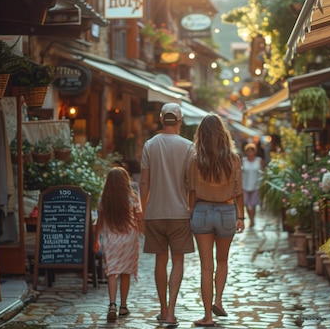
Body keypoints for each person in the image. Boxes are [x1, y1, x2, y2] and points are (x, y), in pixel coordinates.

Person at [139, 103, 195, 326]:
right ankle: (171, 312)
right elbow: (191, 184)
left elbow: (144, 181)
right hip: (180, 213)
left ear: (162, 120)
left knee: (160, 262)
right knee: (178, 262)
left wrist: (143, 211)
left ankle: (162, 309)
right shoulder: (189, 147)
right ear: (179, 121)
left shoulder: (149, 145)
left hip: (154, 213)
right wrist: (190, 209)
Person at [188, 114, 245, 327]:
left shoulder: (196, 159)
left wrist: (190, 213)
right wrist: (241, 216)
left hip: (201, 210)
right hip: (227, 211)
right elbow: (239, 191)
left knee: (205, 266)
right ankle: (218, 301)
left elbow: (191, 191)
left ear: (201, 134)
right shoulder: (234, 158)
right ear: (223, 133)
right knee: (222, 260)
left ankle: (207, 317)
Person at [93, 167, 143, 322]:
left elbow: (100, 222)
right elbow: (139, 218)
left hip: (110, 239)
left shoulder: (103, 199)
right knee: (126, 272)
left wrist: (96, 239)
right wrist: (146, 234)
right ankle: (123, 306)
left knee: (112, 272)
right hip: (128, 239)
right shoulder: (132, 198)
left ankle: (112, 305)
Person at [242, 142, 264, 228]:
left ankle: (252, 219)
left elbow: (263, 171)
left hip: (256, 185)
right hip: (245, 185)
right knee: (247, 204)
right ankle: (250, 218)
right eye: (248, 151)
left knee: (253, 204)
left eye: (252, 151)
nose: (250, 152)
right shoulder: (243, 161)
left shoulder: (259, 160)